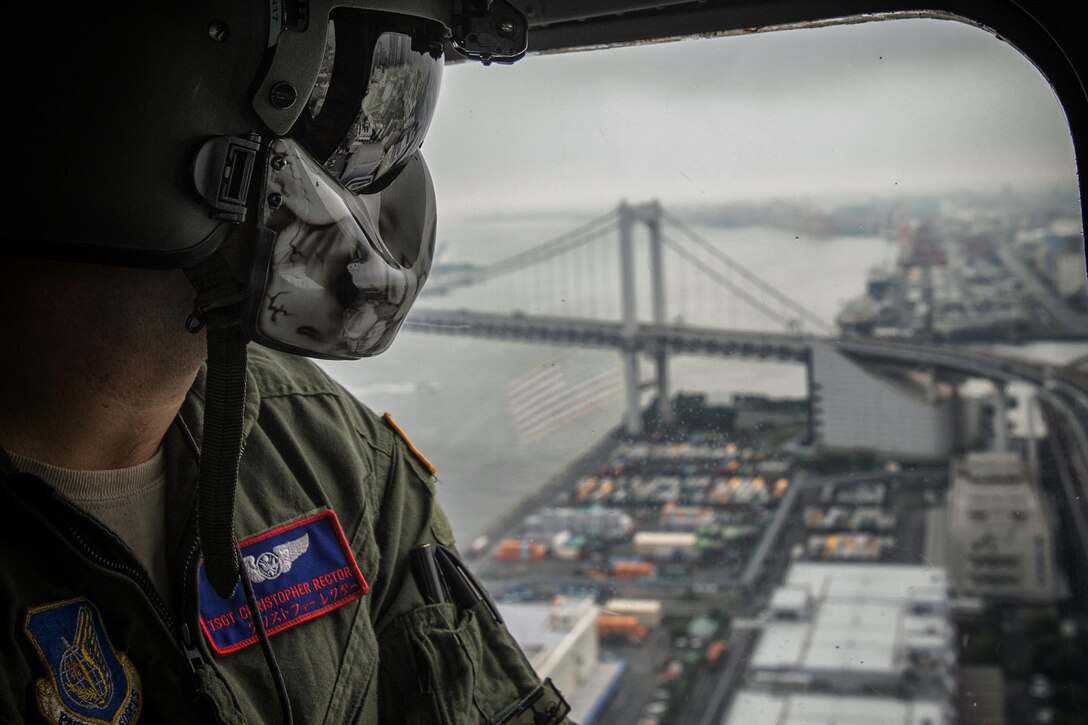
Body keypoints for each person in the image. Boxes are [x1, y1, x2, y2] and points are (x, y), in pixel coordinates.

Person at [0, 2, 574, 723]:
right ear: (158, 90)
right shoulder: (343, 460)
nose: (389, 176)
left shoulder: (349, 462)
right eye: (352, 109)